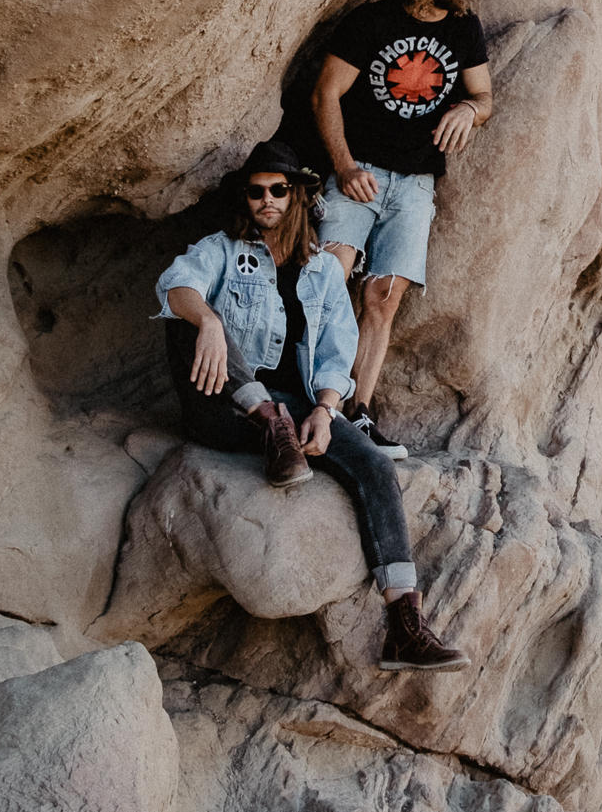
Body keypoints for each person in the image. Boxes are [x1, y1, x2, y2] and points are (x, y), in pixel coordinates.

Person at [155, 137, 466, 671]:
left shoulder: (322, 270)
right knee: (188, 323)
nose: (267, 201)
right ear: (246, 200)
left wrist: (323, 412)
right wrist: (206, 319)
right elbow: (175, 283)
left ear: (297, 195)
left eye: (278, 190)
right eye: (256, 193)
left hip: (297, 410)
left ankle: (405, 625)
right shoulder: (223, 251)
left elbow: (335, 355)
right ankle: (267, 419)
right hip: (224, 406)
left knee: (372, 463)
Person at [310, 0, 493, 455]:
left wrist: (467, 109)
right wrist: (343, 167)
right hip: (357, 175)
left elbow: (484, 96)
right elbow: (326, 92)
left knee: (383, 297)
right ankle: (312, 400)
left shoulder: (465, 30)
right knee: (327, 279)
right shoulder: (371, 22)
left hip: (414, 185)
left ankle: (356, 414)